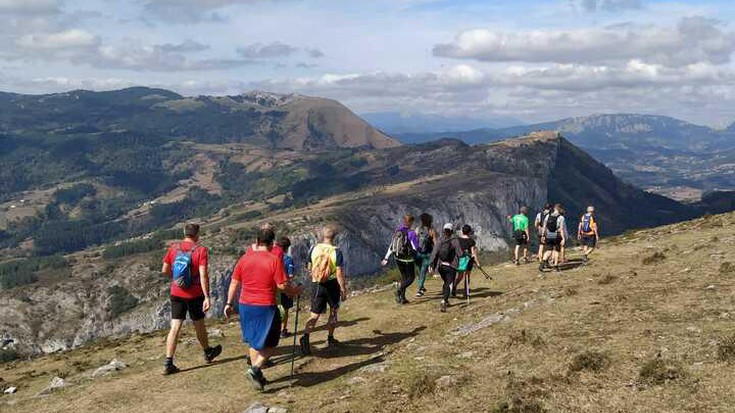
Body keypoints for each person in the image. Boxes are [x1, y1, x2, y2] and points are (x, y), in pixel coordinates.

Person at [224, 227, 303, 391]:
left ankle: (257, 377)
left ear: (257, 241)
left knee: (254, 341)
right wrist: (295, 292)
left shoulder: (244, 259)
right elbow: (282, 285)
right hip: (265, 305)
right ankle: (255, 369)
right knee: (273, 341)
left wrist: (229, 303)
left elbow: (234, 282)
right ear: (272, 243)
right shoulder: (274, 259)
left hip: (245, 305)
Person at [161, 223, 222, 375]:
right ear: (197, 235)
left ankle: (168, 362)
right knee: (199, 324)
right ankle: (207, 351)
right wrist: (206, 296)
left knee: (175, 327)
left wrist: (176, 280)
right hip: (194, 294)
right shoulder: (200, 250)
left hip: (176, 292)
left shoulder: (173, 248)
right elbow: (203, 275)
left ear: (184, 233)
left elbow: (165, 270)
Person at [300, 225, 348, 356]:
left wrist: (317, 276)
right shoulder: (336, 251)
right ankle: (330, 338)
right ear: (334, 237)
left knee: (314, 315)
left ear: (322, 236)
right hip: (332, 284)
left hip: (317, 284)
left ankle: (305, 337)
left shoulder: (314, 248)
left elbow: (309, 267)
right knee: (333, 311)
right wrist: (343, 289)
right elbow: (339, 273)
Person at [381, 214, 419, 305]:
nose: (412, 224)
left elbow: (391, 246)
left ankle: (403, 298)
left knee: (404, 278)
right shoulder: (411, 233)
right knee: (410, 278)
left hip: (397, 258)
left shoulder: (398, 231)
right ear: (409, 222)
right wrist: (416, 236)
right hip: (407, 259)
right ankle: (399, 290)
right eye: (412, 222)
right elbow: (415, 248)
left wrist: (386, 257)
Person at [429, 223, 464, 312]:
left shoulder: (439, 240)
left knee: (446, 282)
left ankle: (446, 299)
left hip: (441, 267)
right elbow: (460, 254)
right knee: (449, 283)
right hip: (451, 266)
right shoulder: (455, 240)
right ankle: (444, 301)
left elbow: (434, 253)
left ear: (443, 231)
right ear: (452, 231)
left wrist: (431, 265)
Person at [414, 213, 437, 297]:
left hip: (418, 253)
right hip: (427, 254)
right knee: (423, 271)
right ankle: (420, 289)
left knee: (420, 271)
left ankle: (421, 287)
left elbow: (414, 241)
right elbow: (435, 243)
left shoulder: (417, 229)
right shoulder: (431, 230)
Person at [277, 237, 296, 337]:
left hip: (274, 289)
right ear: (287, 247)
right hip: (284, 287)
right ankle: (282, 330)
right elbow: (290, 275)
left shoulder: (273, 258)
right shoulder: (288, 260)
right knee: (285, 309)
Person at [539, 204, 567, 271]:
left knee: (549, 250)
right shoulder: (561, 218)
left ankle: (542, 264)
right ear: (560, 209)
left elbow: (544, 227)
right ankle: (555, 266)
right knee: (557, 250)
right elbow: (561, 229)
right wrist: (563, 238)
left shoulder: (548, 216)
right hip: (557, 235)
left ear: (554, 209)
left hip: (548, 235)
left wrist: (543, 236)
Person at [454, 224, 479, 297]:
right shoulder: (471, 241)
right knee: (467, 276)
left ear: (462, 231)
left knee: (460, 276)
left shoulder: (457, 240)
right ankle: (466, 292)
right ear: (469, 232)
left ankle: (454, 287)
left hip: (459, 260)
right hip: (468, 260)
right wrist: (477, 263)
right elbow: (473, 253)